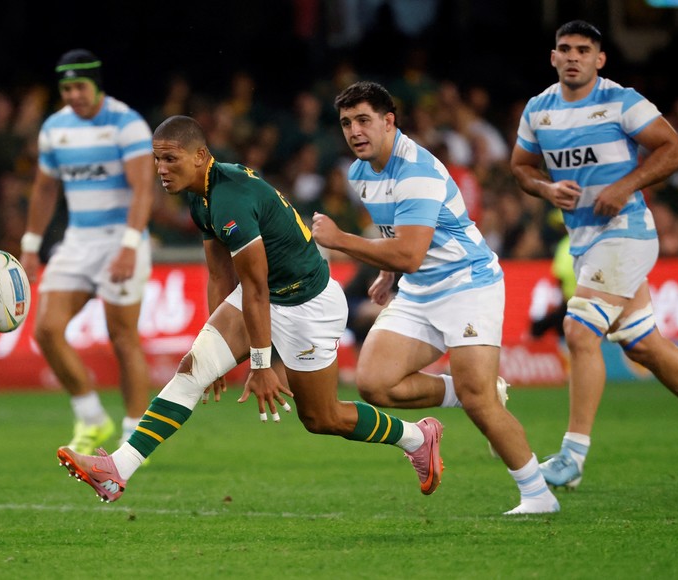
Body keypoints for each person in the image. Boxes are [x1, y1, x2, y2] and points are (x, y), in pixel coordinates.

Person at [56, 115, 445, 503]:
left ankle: (417, 437)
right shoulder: (201, 195)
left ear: (200, 156)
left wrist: (260, 365)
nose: (161, 169)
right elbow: (221, 277)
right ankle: (117, 469)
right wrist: (213, 354)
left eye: (170, 159)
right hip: (265, 295)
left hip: (308, 304)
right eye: (157, 160)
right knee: (192, 370)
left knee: (322, 417)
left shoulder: (231, 201)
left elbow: (257, 288)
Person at [509, 20, 678, 489]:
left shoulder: (621, 101)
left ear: (600, 60)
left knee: (579, 330)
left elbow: (673, 151)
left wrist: (625, 185)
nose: (573, 56)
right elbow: (520, 167)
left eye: (584, 49)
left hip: (627, 232)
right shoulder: (539, 110)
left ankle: (572, 455)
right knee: (644, 344)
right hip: (583, 241)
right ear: (553, 57)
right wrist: (544, 187)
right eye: (565, 49)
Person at [311, 80, 559, 515]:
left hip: (468, 285)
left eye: (364, 120)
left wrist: (342, 239)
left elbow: (409, 251)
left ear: (389, 122)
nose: (354, 131)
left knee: (479, 400)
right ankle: (469, 391)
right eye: (347, 123)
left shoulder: (417, 172)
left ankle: (539, 495)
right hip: (420, 288)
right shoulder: (359, 172)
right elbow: (396, 235)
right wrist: (387, 272)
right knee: (374, 382)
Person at [20, 49, 155, 455]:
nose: (73, 94)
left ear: (96, 85)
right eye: (66, 88)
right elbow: (44, 189)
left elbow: (143, 187)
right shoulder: (54, 128)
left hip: (121, 239)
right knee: (46, 329)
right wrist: (30, 246)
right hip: (78, 241)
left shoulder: (126, 123)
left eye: (80, 86)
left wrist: (130, 245)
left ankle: (135, 435)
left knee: (123, 338)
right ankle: (91, 417)